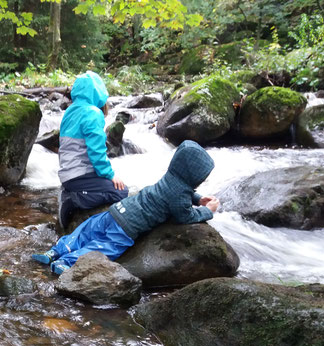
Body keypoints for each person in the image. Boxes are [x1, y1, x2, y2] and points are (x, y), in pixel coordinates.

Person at [33, 140, 220, 275]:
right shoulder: (179, 194)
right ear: (193, 176)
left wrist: (198, 198)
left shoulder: (170, 178)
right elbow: (184, 216)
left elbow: (178, 194)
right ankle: (66, 263)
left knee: (88, 230)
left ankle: (56, 250)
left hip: (118, 210)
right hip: (127, 226)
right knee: (103, 248)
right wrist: (207, 211)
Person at [57, 70, 128, 229]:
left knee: (114, 188)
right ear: (98, 92)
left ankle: (71, 191)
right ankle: (74, 199)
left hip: (68, 173)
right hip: (79, 174)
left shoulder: (70, 111)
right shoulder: (93, 113)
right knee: (121, 192)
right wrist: (110, 175)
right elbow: (96, 153)